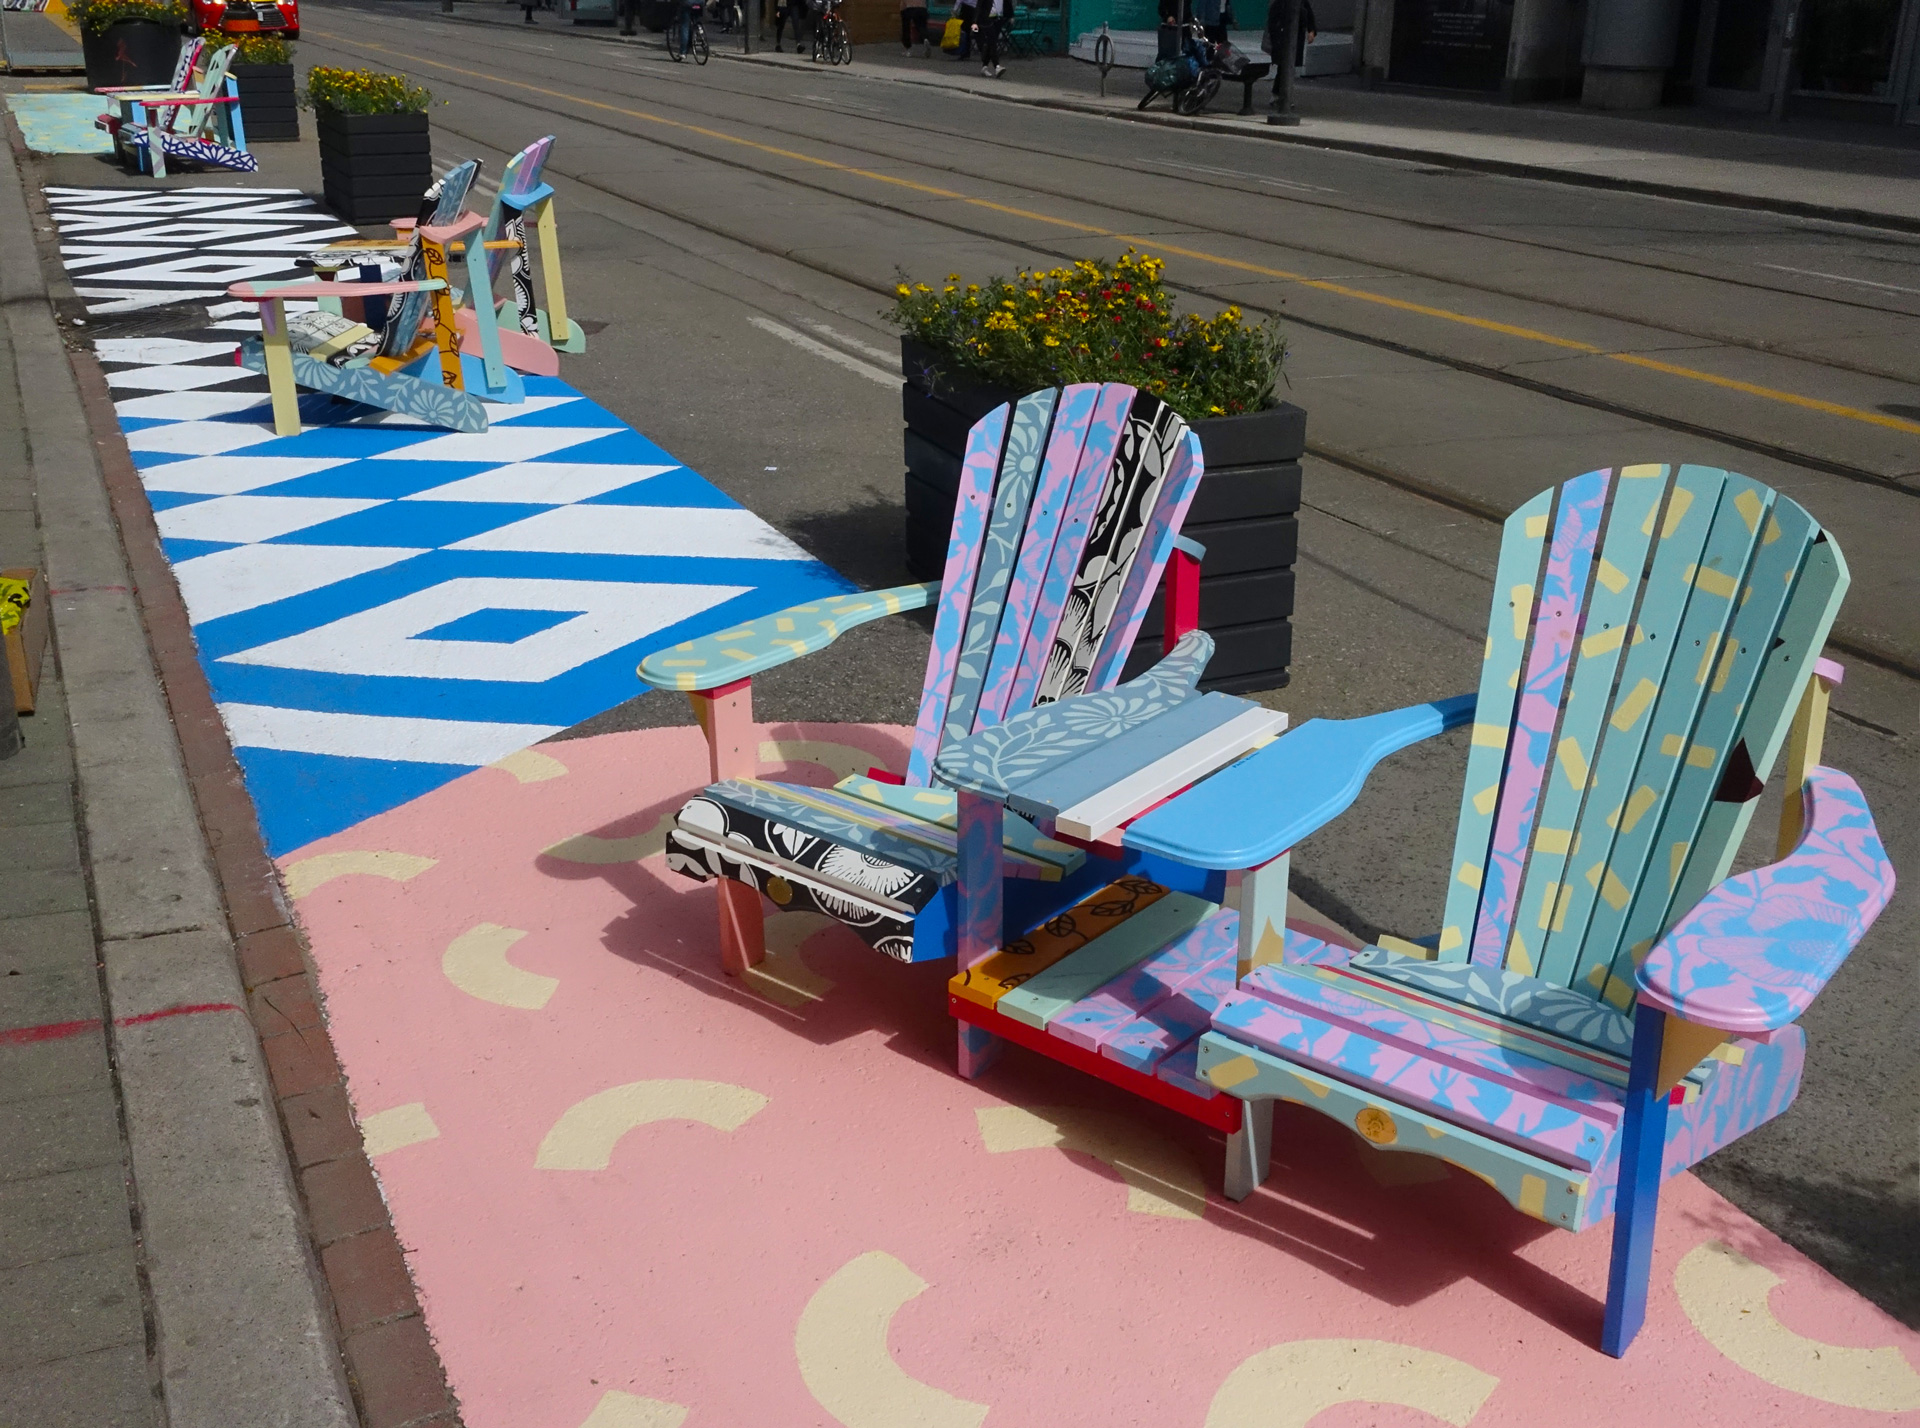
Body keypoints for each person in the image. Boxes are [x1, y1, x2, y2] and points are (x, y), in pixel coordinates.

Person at [973, 0, 1008, 76]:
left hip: (997, 18)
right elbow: (979, 6)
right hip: (986, 20)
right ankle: (997, 66)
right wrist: (975, 21)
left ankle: (985, 66)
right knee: (992, 41)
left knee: (991, 43)